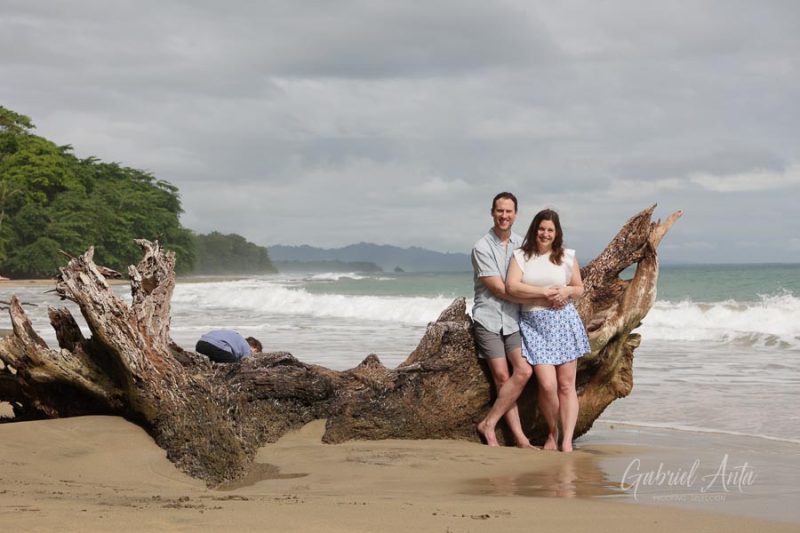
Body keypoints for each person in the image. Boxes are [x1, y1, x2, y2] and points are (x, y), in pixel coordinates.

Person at [506, 209, 590, 452]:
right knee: (547, 385)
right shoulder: (521, 256)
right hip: (534, 324)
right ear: (535, 229)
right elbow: (512, 287)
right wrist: (542, 293)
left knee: (566, 385)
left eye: (550, 230)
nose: (545, 233)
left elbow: (579, 288)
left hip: (563, 322)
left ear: (556, 233)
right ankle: (552, 432)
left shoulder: (566, 256)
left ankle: (565, 441)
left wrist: (566, 291)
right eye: (541, 228)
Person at [472, 192, 534, 448]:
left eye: (509, 211)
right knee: (501, 375)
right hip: (487, 318)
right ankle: (519, 438)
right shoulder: (481, 247)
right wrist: (541, 297)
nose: (504, 216)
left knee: (524, 371)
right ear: (492, 213)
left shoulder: (523, 246)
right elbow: (499, 289)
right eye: (500, 211)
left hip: (513, 320)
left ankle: (489, 422)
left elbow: (532, 277)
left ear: (516, 214)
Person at [196, 329, 262, 363]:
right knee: (236, 366)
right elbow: (246, 361)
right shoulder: (246, 347)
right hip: (215, 346)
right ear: (254, 347)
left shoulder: (237, 339)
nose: (253, 355)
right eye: (255, 352)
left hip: (200, 344)